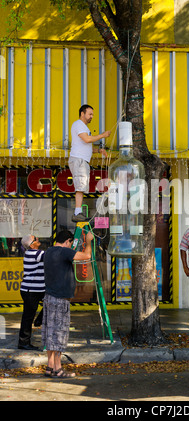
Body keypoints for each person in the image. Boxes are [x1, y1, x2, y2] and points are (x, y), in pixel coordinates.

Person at [42, 229, 93, 378]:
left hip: (49, 298)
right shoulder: (64, 252)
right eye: (71, 244)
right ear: (67, 241)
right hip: (60, 300)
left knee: (50, 333)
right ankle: (58, 370)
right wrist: (88, 241)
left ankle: (49, 367)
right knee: (59, 334)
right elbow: (87, 256)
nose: (71, 247)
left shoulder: (49, 252)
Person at [69, 104, 111, 222]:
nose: (91, 116)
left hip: (81, 160)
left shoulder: (83, 127)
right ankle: (77, 212)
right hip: (79, 160)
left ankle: (78, 212)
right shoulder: (79, 124)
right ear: (82, 114)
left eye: (92, 114)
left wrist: (98, 150)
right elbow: (87, 139)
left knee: (81, 187)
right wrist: (103, 135)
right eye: (90, 114)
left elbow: (86, 145)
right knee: (80, 187)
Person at [18, 235, 45, 350]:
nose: (38, 240)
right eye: (36, 239)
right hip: (31, 290)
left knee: (51, 302)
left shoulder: (34, 253)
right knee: (28, 317)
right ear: (31, 244)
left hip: (37, 289)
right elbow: (53, 256)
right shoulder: (35, 253)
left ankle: (39, 319)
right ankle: (23, 343)